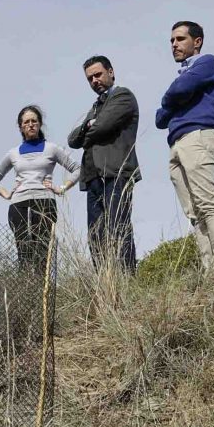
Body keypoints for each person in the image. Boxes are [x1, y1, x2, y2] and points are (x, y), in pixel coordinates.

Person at [155, 21, 214, 274]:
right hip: (177, 143)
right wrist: (177, 96)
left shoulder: (206, 62)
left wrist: (176, 96)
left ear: (196, 42)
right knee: (194, 213)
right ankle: (211, 271)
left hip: (199, 137)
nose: (174, 45)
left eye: (180, 39)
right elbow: (159, 118)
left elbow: (175, 93)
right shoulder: (185, 74)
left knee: (208, 204)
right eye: (172, 41)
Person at [67, 56, 140, 273]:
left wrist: (89, 130)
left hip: (115, 173)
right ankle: (105, 285)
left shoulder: (122, 96)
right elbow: (72, 140)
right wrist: (89, 126)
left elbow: (101, 128)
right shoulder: (95, 107)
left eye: (98, 75)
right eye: (90, 78)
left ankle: (127, 282)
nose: (94, 81)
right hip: (92, 178)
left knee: (118, 229)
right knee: (96, 236)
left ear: (111, 72)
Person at [0, 105, 81, 273]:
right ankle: (25, 292)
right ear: (21, 127)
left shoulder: (52, 148)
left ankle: (41, 293)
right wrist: (6, 193)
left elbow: (77, 169)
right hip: (19, 204)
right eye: (26, 122)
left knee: (42, 252)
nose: (30, 125)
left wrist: (61, 188)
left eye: (34, 121)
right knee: (24, 251)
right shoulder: (13, 153)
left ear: (39, 124)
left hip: (44, 202)